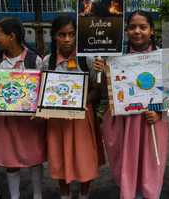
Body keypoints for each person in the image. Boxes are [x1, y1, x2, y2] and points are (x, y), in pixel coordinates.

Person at [100, 10, 169, 199]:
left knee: (151, 165)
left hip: (152, 122)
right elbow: (106, 92)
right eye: (132, 27)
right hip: (126, 123)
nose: (137, 31)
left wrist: (159, 113)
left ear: (152, 30)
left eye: (143, 27)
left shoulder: (164, 57)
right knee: (129, 165)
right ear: (126, 31)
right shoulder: (115, 59)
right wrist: (101, 72)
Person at [0, 17, 46, 199]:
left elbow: (42, 91)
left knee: (34, 159)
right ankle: (14, 196)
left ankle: (38, 195)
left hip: (30, 122)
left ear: (11, 36)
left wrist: (40, 109)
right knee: (10, 161)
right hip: (5, 121)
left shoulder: (35, 60)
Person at [42, 14, 105, 199]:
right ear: (54, 36)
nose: (67, 39)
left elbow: (98, 90)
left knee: (84, 157)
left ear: (77, 35)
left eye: (71, 34)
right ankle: (65, 195)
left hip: (82, 118)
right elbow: (43, 91)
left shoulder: (89, 59)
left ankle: (84, 194)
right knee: (59, 156)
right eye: (62, 35)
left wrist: (81, 102)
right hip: (56, 120)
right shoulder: (47, 62)